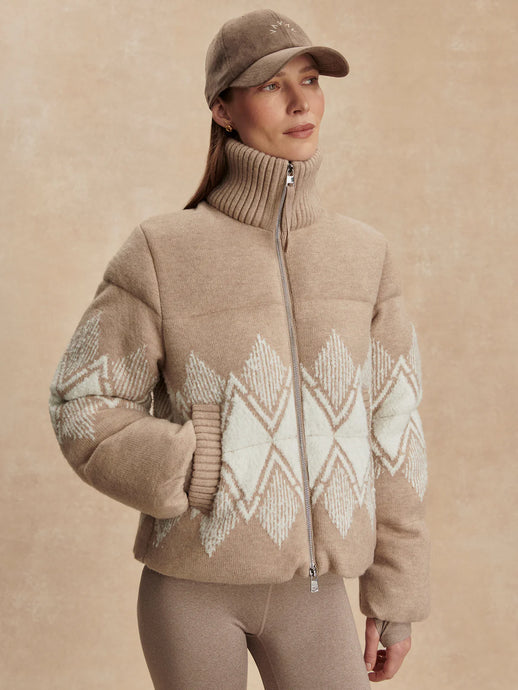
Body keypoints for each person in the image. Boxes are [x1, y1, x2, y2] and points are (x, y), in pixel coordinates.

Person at [48, 8, 430, 689]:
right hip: (190, 592)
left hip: (315, 596)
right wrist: (192, 463)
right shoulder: (162, 251)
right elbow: (82, 402)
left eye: (309, 80)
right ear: (223, 110)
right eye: (271, 85)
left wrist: (394, 595)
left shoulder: (363, 256)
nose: (299, 101)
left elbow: (394, 428)